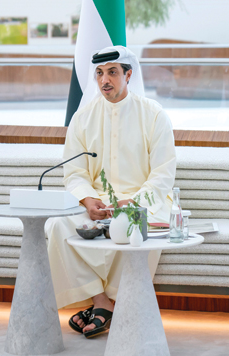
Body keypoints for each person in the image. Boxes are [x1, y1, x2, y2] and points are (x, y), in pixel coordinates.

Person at [47, 45, 176, 338]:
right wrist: (88, 199)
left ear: (128, 75)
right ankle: (101, 301)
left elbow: (163, 173)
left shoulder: (154, 115)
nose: (105, 80)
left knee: (130, 223)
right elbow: (75, 172)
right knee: (57, 225)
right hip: (98, 202)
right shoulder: (83, 117)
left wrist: (134, 201)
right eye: (99, 73)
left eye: (113, 72)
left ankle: (109, 306)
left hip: (144, 200)